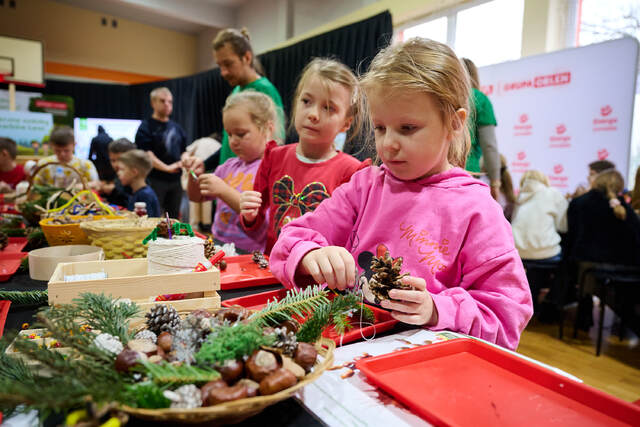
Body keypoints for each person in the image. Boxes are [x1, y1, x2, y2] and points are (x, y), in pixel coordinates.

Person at [270, 39, 533, 350]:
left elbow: (507, 313)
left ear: (454, 122)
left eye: (407, 128)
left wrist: (438, 308)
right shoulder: (365, 186)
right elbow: (292, 238)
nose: (388, 144)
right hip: (348, 350)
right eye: (380, 128)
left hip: (425, 367)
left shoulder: (478, 210)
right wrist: (312, 255)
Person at [238, 58, 369, 254]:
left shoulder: (353, 172)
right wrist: (248, 214)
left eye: (328, 108)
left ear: (346, 123)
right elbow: (255, 224)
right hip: (274, 268)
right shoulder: (274, 157)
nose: (313, 114)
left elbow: (354, 237)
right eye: (306, 101)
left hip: (318, 280)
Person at [183, 28, 285, 173]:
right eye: (220, 66)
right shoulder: (236, 91)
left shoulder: (264, 90)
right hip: (230, 179)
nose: (223, 72)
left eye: (228, 64)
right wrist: (205, 164)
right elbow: (227, 145)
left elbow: (276, 145)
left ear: (247, 58)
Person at [188, 91, 277, 252]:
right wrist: (193, 176)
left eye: (241, 134)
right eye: (229, 134)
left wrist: (223, 191)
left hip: (251, 251)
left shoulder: (273, 168)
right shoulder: (228, 166)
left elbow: (257, 216)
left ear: (267, 129)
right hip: (219, 243)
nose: (233, 141)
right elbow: (196, 196)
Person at [567, 168, 640, 265]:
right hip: (624, 267)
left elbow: (572, 237)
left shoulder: (578, 203)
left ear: (596, 183)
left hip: (587, 264)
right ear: (620, 187)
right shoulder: (624, 208)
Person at [135, 87, 187, 218]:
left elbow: (183, 151)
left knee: (174, 217)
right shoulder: (145, 127)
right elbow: (148, 155)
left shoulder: (177, 128)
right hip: (155, 179)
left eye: (170, 101)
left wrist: (185, 160)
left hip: (175, 180)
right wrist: (167, 168)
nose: (167, 104)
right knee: (154, 216)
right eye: (162, 101)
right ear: (153, 103)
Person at [462, 58, 502, 201]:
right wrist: (495, 182)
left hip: (438, 169)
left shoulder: (444, 95)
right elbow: (489, 145)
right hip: (467, 171)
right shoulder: (480, 99)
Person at [512, 170, 568, 261]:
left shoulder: (519, 197)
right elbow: (563, 227)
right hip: (547, 252)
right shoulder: (553, 193)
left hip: (518, 253)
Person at [33, 126, 100, 190]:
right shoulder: (44, 164)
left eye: (66, 150)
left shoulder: (85, 165)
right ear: (51, 145)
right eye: (57, 150)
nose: (62, 154)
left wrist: (80, 186)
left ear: (74, 145)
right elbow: (35, 186)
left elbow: (97, 185)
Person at [181, 134, 221, 232]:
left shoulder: (200, 140)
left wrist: (187, 161)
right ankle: (205, 226)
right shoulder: (218, 145)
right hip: (205, 174)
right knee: (205, 204)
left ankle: (195, 227)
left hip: (198, 172)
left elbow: (185, 153)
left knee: (195, 206)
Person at [117, 149, 161, 217]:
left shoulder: (145, 195)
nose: (118, 173)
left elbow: (145, 224)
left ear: (134, 172)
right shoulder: (136, 192)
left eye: (122, 169)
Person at [100, 138, 135, 208]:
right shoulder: (117, 173)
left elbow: (128, 199)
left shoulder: (136, 177)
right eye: (113, 160)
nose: (116, 164)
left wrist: (113, 190)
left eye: (120, 160)